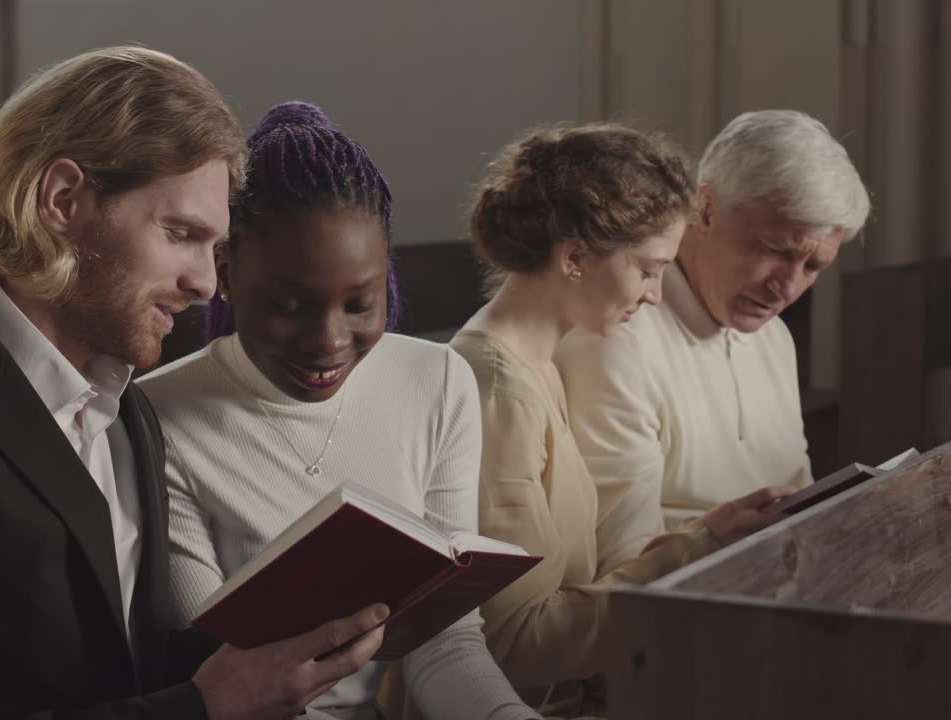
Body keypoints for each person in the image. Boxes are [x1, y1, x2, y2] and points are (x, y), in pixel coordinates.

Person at [0, 47, 386, 719]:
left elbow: (114, 665)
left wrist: (274, 654)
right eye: (181, 233)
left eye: (215, 248)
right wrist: (204, 707)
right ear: (62, 200)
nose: (206, 283)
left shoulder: (124, 408)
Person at [138, 101, 544, 720]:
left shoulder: (437, 382)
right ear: (225, 273)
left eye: (359, 304)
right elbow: (221, 672)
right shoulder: (157, 416)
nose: (329, 341)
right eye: (290, 306)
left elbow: (445, 644)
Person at [443, 124, 794, 717]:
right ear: (575, 257)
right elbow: (511, 645)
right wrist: (697, 549)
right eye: (650, 270)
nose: (656, 294)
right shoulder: (498, 390)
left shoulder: (541, 364)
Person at [554, 110, 872, 573]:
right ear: (705, 208)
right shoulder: (615, 336)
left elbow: (801, 504)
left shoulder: (774, 336)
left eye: (813, 267)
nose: (787, 290)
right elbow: (614, 565)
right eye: (773, 250)